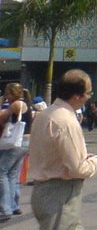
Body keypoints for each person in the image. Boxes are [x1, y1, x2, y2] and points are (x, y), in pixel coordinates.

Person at [27, 70, 97, 229]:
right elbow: (77, 169)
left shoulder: (45, 115)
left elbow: (52, 153)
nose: (89, 97)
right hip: (59, 195)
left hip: (44, 191)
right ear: (77, 96)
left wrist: (83, 157)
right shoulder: (66, 121)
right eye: (89, 93)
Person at [0, 83, 32, 220]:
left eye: (7, 93)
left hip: (16, 142)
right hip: (25, 141)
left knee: (2, 171)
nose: (6, 96)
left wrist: (3, 103)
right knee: (13, 174)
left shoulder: (16, 104)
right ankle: (12, 206)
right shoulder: (25, 104)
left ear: (12, 93)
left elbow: (2, 119)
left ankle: (5, 208)